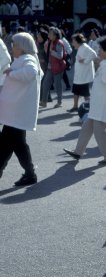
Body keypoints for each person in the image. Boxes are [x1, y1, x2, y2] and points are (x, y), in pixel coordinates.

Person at [63, 36, 106, 165]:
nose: (99, 51)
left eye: (101, 49)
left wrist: (102, 64)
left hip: (104, 105)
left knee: (99, 131)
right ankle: (78, 151)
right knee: (87, 126)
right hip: (99, 104)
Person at [0, 32, 42, 186]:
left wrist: (12, 73)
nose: (12, 48)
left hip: (17, 112)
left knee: (8, 145)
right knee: (15, 145)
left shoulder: (28, 59)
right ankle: (30, 174)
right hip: (16, 112)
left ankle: (30, 174)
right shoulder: (25, 59)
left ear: (23, 47)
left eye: (15, 45)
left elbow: (30, 73)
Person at [67, 33, 97, 112]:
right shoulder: (81, 47)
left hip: (84, 75)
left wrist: (85, 61)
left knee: (85, 93)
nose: (72, 43)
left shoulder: (85, 47)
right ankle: (75, 106)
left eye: (73, 41)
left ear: (77, 41)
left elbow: (94, 54)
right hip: (79, 75)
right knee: (76, 91)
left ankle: (90, 107)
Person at [40, 27, 66, 109]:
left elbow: (60, 56)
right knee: (45, 84)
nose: (49, 35)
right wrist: (46, 48)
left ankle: (59, 102)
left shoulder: (59, 43)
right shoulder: (49, 42)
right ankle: (44, 101)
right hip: (50, 67)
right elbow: (48, 54)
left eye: (50, 33)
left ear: (55, 35)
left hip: (57, 67)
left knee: (57, 85)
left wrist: (52, 51)